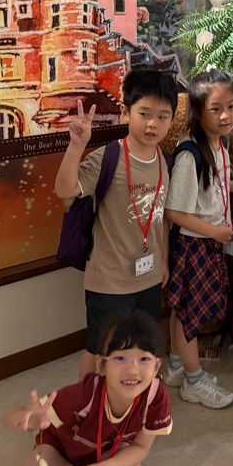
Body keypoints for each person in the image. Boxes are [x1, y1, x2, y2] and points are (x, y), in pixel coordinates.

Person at [0, 311, 172, 466]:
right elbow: (8, 419)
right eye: (120, 358)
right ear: (101, 365)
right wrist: (28, 420)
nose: (132, 369)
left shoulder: (156, 396)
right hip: (63, 449)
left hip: (111, 449)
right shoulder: (82, 395)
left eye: (144, 359)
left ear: (156, 366)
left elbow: (141, 448)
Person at [54, 68, 178, 379]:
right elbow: (64, 190)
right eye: (144, 113)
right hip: (109, 280)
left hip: (149, 278)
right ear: (125, 112)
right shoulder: (107, 158)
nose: (152, 123)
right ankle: (88, 403)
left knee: (141, 348)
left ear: (172, 119)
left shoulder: (165, 162)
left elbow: (161, 218)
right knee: (101, 351)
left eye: (162, 116)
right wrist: (76, 146)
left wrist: (163, 260)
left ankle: (132, 400)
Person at [164, 68, 233, 409]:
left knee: (182, 308)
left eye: (231, 106)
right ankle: (193, 380)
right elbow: (175, 211)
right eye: (216, 109)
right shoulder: (191, 154)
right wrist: (216, 231)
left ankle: (177, 366)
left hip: (205, 242)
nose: (226, 115)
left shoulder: (219, 142)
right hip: (194, 244)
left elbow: (212, 187)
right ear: (197, 110)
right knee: (190, 315)